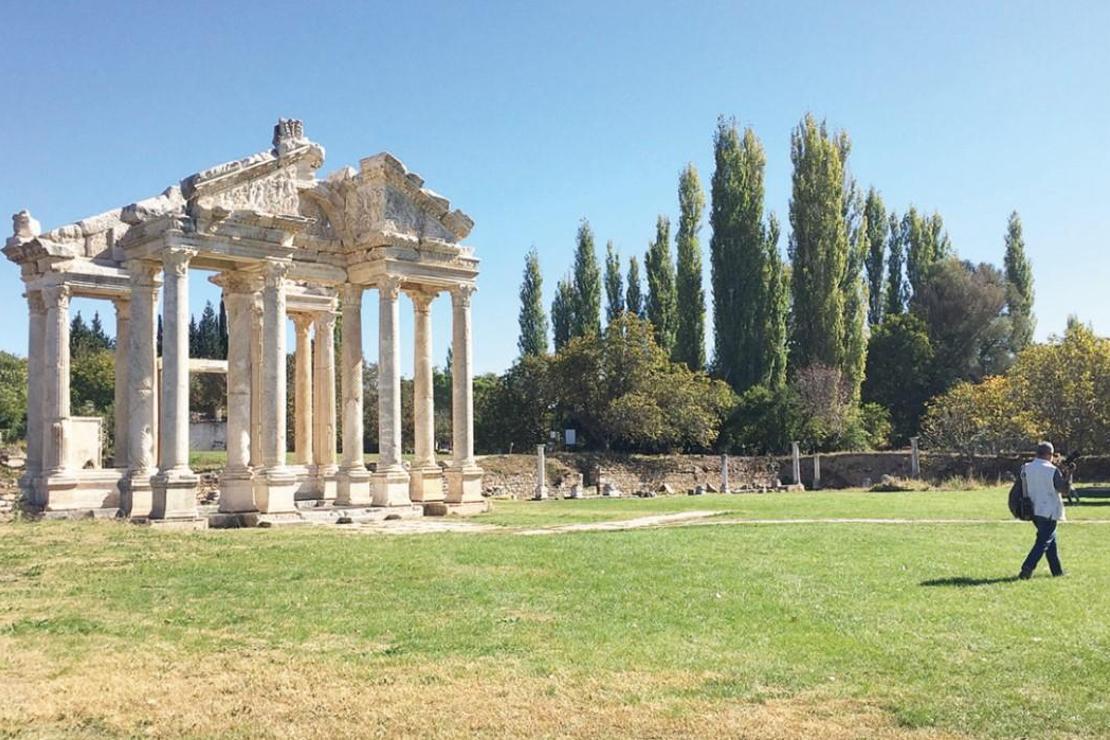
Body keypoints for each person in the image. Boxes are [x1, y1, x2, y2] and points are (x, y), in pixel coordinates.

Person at [1018, 441, 1070, 579]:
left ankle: (1057, 571)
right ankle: (1027, 568)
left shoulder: (1025, 467)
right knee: (1043, 541)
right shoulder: (1052, 470)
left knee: (1049, 541)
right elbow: (1064, 490)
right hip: (1049, 510)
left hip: (1032, 509)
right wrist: (1068, 475)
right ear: (1049, 454)